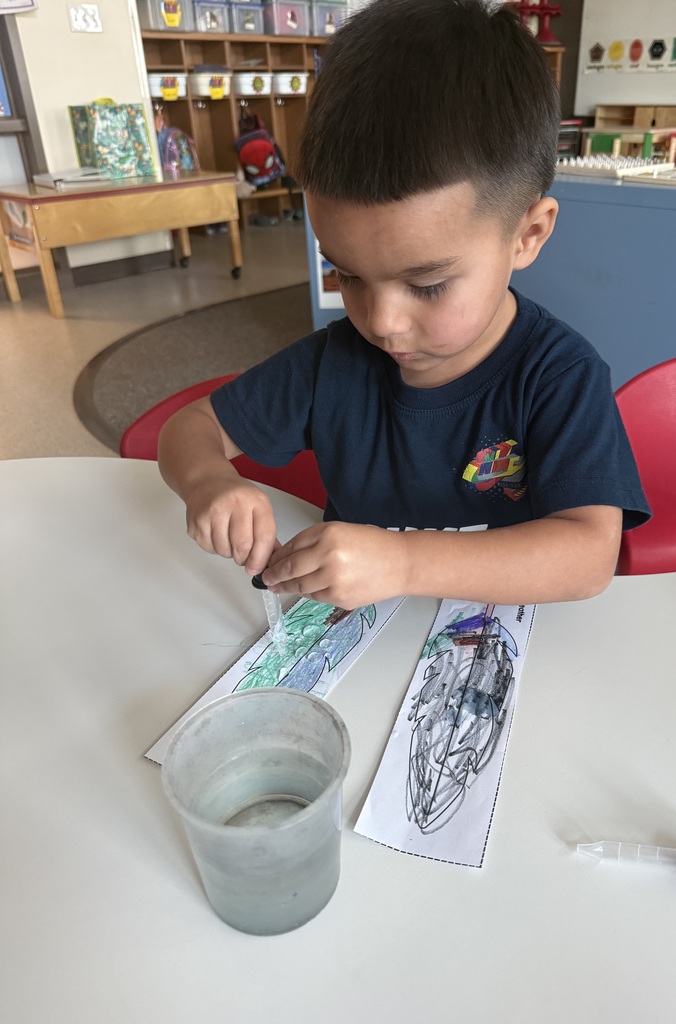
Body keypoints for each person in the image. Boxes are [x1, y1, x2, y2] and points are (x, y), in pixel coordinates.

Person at [158, 0, 650, 611]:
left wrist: (403, 560)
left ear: (528, 236)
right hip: (359, 646)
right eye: (347, 274)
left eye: (427, 285)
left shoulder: (560, 375)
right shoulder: (332, 364)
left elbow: (587, 557)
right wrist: (209, 481)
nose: (381, 322)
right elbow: (190, 426)